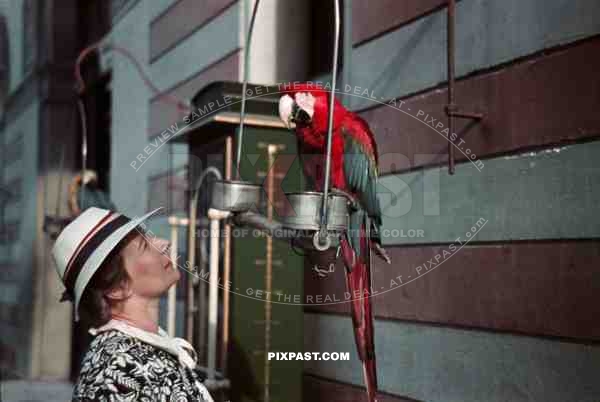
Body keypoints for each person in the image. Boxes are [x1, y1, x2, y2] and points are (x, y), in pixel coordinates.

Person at [51, 206, 215, 402]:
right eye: (144, 246)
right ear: (117, 288)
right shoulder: (117, 369)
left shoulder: (140, 348)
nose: (164, 243)